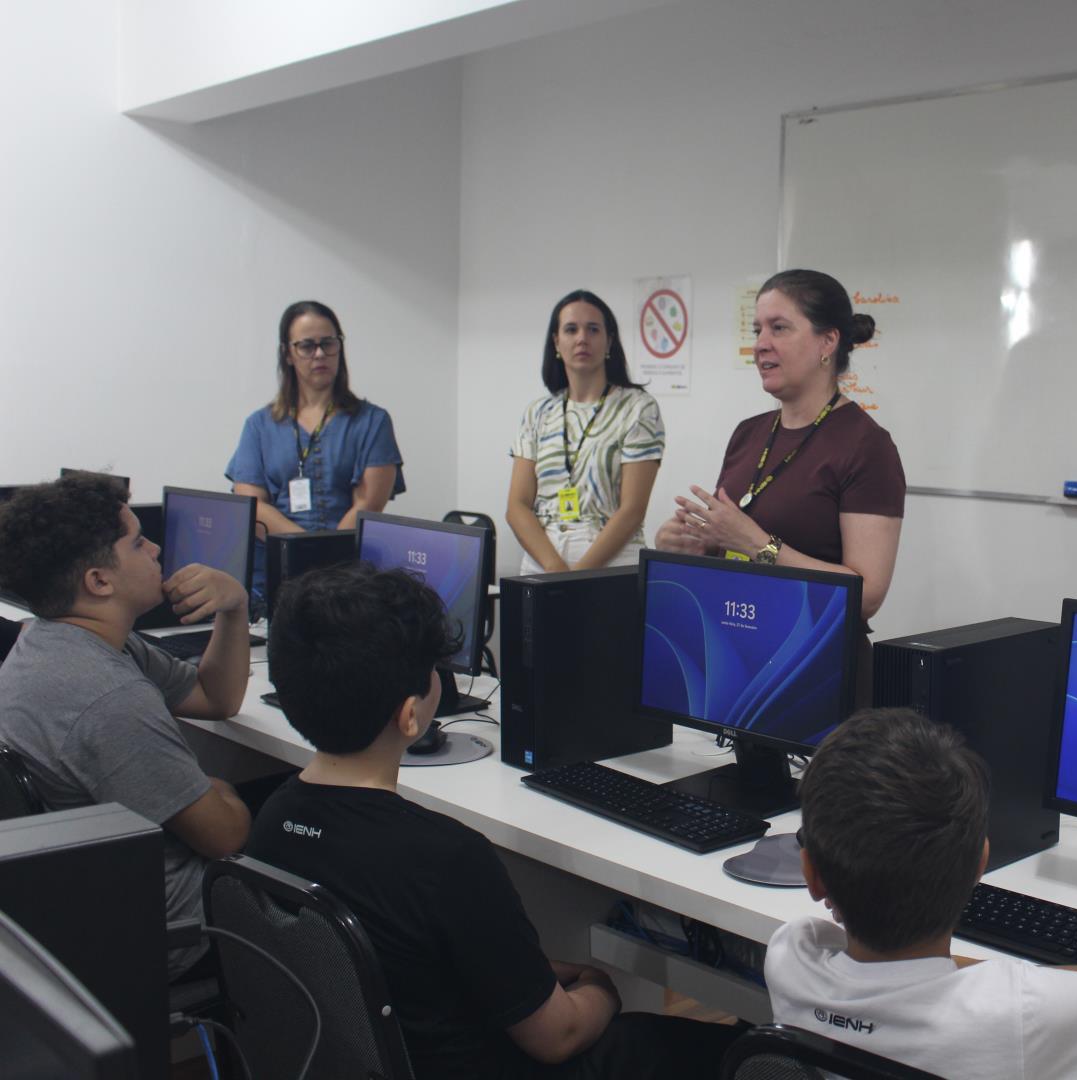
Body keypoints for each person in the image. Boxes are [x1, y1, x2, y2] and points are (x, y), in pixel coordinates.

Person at [246, 561, 742, 1079]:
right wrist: (600, 986)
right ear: (411, 715)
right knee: (709, 1051)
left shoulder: (272, 820)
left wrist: (527, 976)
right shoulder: (446, 858)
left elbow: (408, 957)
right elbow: (560, 1036)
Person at [767, 708, 1077, 1078]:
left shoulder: (791, 958)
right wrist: (1034, 979)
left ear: (812, 875)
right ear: (979, 864)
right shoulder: (1020, 1010)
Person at [0, 474, 252, 979]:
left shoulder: (58, 640)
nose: (157, 547)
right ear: (99, 581)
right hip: (169, 928)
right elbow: (225, 837)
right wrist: (214, 789)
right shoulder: (108, 697)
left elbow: (216, 698)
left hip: (83, 900)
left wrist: (234, 607)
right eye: (139, 541)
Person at [654, 270, 904, 692]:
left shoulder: (867, 446)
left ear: (828, 342)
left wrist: (758, 545)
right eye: (758, 329)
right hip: (737, 658)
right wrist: (689, 546)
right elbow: (729, 547)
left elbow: (866, 595)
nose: (761, 344)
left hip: (813, 675)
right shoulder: (749, 433)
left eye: (779, 328)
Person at [227, 299, 405, 603]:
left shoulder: (373, 421)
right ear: (288, 353)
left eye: (328, 343)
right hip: (276, 576)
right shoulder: (259, 425)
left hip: (348, 576)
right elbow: (251, 505)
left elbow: (367, 506)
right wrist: (303, 553)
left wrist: (326, 563)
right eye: (307, 346)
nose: (320, 354)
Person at [507, 290, 664, 573]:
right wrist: (555, 567)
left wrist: (577, 577)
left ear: (609, 342)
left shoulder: (638, 408)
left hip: (611, 560)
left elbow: (632, 511)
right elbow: (517, 505)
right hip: (543, 558)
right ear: (557, 342)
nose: (582, 338)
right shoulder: (538, 413)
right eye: (571, 329)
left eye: (593, 329)